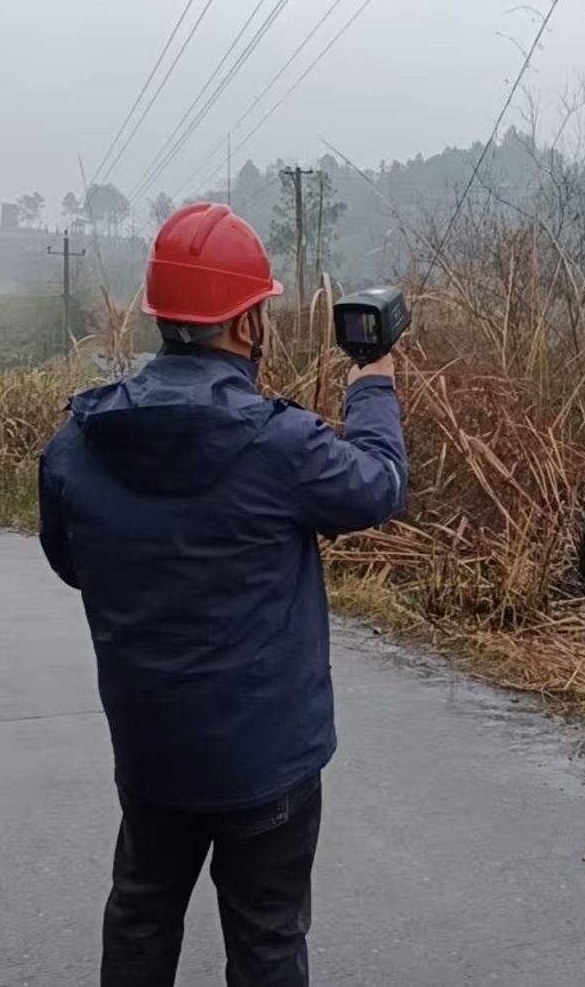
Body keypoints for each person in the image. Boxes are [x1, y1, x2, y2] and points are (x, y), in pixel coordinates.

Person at [37, 202, 407, 987]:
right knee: (267, 939)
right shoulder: (279, 444)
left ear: (162, 316)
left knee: (140, 912)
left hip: (150, 750)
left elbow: (73, 563)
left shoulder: (77, 442)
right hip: (265, 758)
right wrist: (372, 386)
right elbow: (376, 488)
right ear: (245, 325)